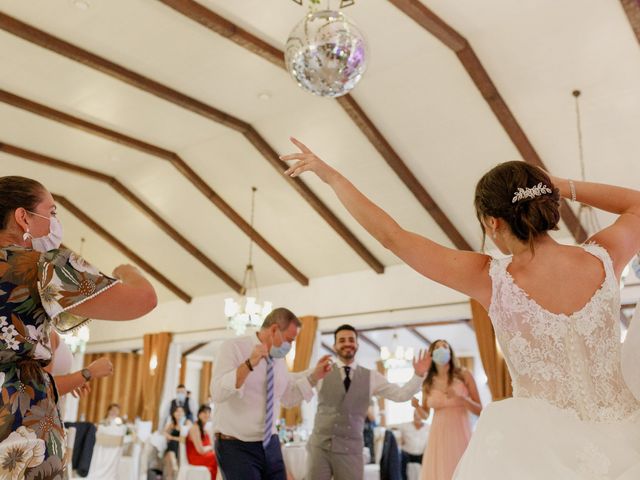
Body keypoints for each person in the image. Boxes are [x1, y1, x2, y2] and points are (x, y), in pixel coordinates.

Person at [281, 140, 640, 478]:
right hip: (627, 441)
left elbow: (392, 236)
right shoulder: (604, 257)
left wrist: (331, 176)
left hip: (541, 452)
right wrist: (561, 185)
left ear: (493, 222)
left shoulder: (492, 278)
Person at [0, 175, 158, 478]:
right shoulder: (41, 265)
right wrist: (128, 271)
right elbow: (143, 300)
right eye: (52, 211)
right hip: (19, 420)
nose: (55, 221)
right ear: (23, 217)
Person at [211, 307, 333, 480]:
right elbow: (217, 393)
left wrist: (314, 377)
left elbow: (288, 397)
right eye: (289, 340)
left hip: (270, 443)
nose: (290, 346)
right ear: (274, 329)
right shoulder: (233, 347)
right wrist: (249, 364)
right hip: (236, 444)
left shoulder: (279, 360)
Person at [306, 324, 431, 480]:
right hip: (319, 449)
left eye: (351, 340)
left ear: (357, 344)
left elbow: (401, 395)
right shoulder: (320, 372)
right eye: (342, 340)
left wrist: (418, 375)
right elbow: (294, 387)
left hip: (351, 450)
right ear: (334, 346)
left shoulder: (372, 377)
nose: (347, 343)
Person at [413, 340, 481, 480]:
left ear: (450, 351)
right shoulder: (428, 381)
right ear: (431, 355)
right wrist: (417, 407)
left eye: (445, 346)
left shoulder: (464, 375)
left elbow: (480, 409)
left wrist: (462, 399)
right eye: (437, 347)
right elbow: (425, 415)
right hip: (438, 435)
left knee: (462, 469)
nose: (441, 349)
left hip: (460, 432)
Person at [186, 404, 217, 478]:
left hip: (204, 455)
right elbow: (200, 450)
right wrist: (211, 447)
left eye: (209, 412)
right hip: (196, 457)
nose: (207, 414)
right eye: (204, 412)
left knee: (220, 458)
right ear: (199, 414)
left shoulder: (205, 430)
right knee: (218, 459)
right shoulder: (195, 428)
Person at [399, 409, 430, 480]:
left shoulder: (428, 428)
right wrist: (400, 439)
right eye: (415, 415)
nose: (417, 417)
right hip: (407, 455)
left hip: (421, 455)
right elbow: (394, 431)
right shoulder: (404, 426)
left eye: (419, 415)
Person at [163, 405, 191, 480]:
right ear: (174, 413)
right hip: (171, 448)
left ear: (184, 413)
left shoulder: (187, 422)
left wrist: (171, 437)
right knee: (170, 466)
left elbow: (184, 439)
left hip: (182, 448)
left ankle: (174, 468)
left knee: (173, 466)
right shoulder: (172, 424)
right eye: (177, 411)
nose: (179, 413)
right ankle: (173, 467)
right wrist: (168, 435)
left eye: (181, 411)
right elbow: (164, 433)